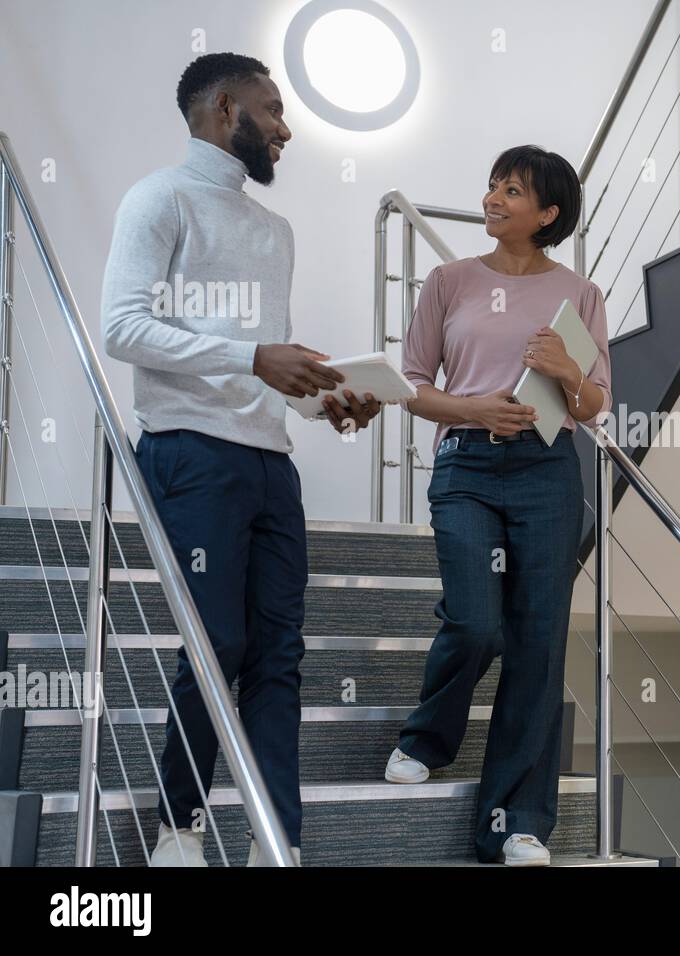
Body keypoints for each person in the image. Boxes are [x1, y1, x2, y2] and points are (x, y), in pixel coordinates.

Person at [101, 52, 381, 866]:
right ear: (226, 109)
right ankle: (178, 828)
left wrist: (322, 400)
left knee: (278, 655)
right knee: (216, 642)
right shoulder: (157, 199)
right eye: (274, 108)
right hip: (189, 453)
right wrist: (256, 355)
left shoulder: (273, 229)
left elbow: (261, 365)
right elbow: (122, 329)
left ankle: (274, 841)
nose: (286, 128)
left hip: (269, 461)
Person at [385, 145, 613, 866]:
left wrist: (567, 371)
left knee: (539, 642)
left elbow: (595, 402)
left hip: (546, 468)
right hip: (467, 466)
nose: (492, 198)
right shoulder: (448, 280)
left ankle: (517, 822)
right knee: (478, 621)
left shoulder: (580, 294)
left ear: (546, 215)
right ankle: (427, 739)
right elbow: (412, 383)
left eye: (510, 191)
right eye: (492, 185)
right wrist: (473, 406)